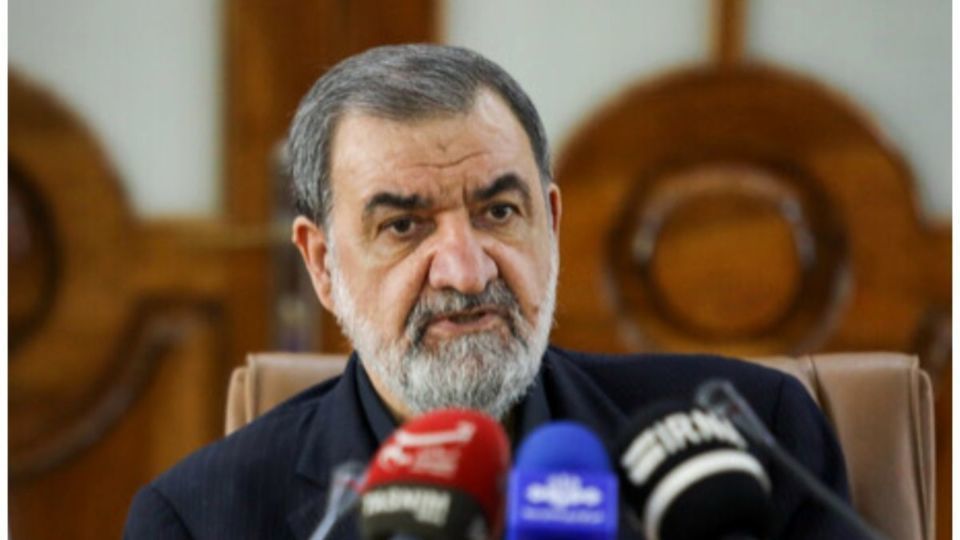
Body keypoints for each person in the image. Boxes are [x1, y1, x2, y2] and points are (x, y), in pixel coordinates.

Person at [125, 44, 859, 539]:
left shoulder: (750, 436)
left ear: (551, 224)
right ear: (321, 264)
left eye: (499, 213)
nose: (467, 272)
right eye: (404, 226)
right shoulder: (201, 519)